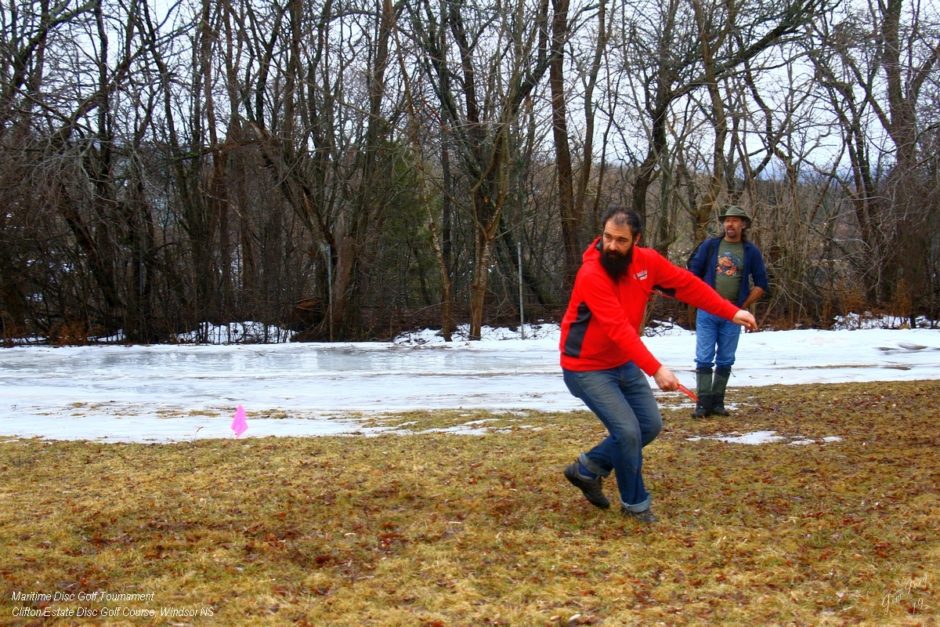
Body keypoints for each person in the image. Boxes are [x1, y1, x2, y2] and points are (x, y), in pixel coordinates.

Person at [560, 207, 757, 523]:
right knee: (627, 432)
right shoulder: (592, 273)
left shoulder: (646, 262)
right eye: (607, 237)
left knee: (649, 426)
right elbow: (617, 328)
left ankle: (587, 469)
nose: (611, 245)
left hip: (622, 362)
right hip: (585, 367)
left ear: (635, 240)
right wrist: (655, 368)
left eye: (620, 240)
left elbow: (687, 285)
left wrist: (730, 311)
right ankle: (635, 505)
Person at [687, 205, 769, 418]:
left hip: (733, 314)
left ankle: (717, 403)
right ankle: (702, 404)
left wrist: (741, 307)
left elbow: (761, 284)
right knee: (703, 358)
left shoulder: (750, 251)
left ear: (743, 225)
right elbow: (692, 276)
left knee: (726, 359)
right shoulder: (711, 246)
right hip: (707, 310)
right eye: (727, 220)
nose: (730, 224)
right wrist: (702, 298)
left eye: (735, 220)